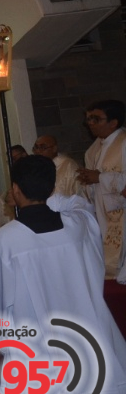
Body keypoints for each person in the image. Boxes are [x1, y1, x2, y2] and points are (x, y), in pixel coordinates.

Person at [0, 155, 126, 394]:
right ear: (50, 189)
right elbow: (80, 209)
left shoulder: (4, 241)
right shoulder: (78, 226)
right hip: (87, 336)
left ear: (16, 190)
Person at [78, 99, 126, 280]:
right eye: (88, 118)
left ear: (113, 122)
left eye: (95, 119)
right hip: (103, 211)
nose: (90, 123)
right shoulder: (94, 149)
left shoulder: (124, 143)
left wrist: (99, 178)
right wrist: (88, 181)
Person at [32, 134, 83, 198]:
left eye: (43, 147)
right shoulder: (36, 167)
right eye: (36, 147)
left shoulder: (69, 165)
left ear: (54, 148)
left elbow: (79, 192)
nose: (38, 151)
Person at [2, 146, 27, 221]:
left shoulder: (33, 171)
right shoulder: (17, 173)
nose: (12, 163)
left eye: (14, 159)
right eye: (9, 161)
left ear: (23, 155)